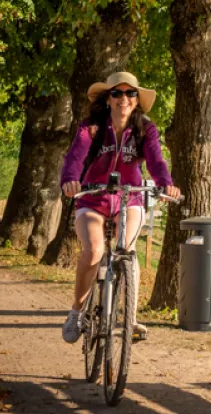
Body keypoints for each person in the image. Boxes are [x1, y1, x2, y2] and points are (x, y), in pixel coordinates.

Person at [60, 71, 181, 343]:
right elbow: (75, 157)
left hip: (130, 198)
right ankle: (76, 313)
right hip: (93, 197)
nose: (123, 99)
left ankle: (129, 317)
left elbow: (156, 161)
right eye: (116, 93)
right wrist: (70, 180)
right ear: (107, 99)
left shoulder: (145, 129)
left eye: (130, 93)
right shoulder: (91, 127)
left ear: (137, 100)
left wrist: (166, 184)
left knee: (127, 252)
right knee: (93, 250)